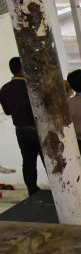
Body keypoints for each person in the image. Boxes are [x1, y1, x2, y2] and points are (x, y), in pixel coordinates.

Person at [0, 57, 41, 194]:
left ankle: (32, 191)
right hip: (38, 129)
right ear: (24, 69)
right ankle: (59, 190)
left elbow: (7, 112)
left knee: (28, 162)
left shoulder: (4, 89)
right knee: (49, 161)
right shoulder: (33, 86)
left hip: (21, 131)